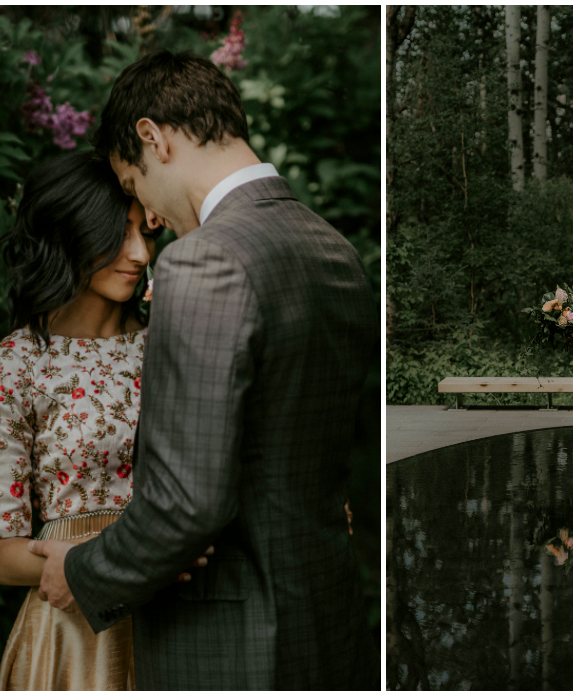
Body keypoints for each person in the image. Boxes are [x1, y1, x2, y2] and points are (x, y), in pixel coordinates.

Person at [27, 51, 378, 689]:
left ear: (151, 137)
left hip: (229, 646)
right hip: (329, 623)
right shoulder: (336, 249)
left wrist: (81, 571)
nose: (151, 218)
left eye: (134, 189)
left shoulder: (202, 262)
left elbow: (186, 504)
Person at [0, 151, 164, 689]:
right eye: (116, 233)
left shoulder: (167, 343)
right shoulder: (13, 365)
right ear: (70, 236)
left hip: (174, 614)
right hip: (73, 637)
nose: (139, 252)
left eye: (141, 230)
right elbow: (3, 555)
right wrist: (97, 564)